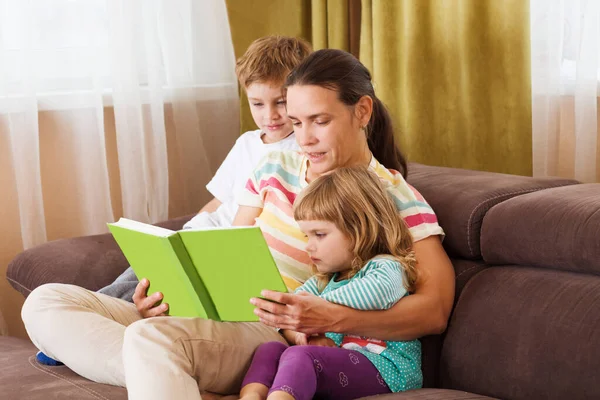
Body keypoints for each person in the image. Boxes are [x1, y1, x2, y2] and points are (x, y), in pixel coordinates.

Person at [22, 48, 455, 400]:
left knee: (150, 341)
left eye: (320, 121)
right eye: (297, 122)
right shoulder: (275, 166)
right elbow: (229, 250)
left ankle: (164, 363)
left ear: (362, 111)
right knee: (46, 302)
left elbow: (434, 310)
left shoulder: (392, 196)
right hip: (218, 314)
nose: (304, 139)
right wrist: (165, 293)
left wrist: (331, 317)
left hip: (272, 331)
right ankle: (167, 371)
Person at [97, 35, 311, 305]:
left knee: (145, 293)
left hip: (233, 252)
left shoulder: (303, 150)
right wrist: (187, 232)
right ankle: (92, 309)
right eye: (257, 104)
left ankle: (96, 313)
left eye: (280, 102)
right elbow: (217, 202)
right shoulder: (246, 143)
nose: (269, 115)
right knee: (136, 275)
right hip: (201, 237)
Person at [240, 166, 422, 400]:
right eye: (307, 236)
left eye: (320, 234)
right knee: (270, 349)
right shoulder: (322, 282)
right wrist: (300, 333)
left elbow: (377, 293)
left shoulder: (386, 266)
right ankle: (251, 397)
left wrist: (314, 306)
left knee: (300, 357)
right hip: (336, 360)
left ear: (359, 229)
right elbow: (291, 314)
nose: (309, 246)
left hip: (387, 369)